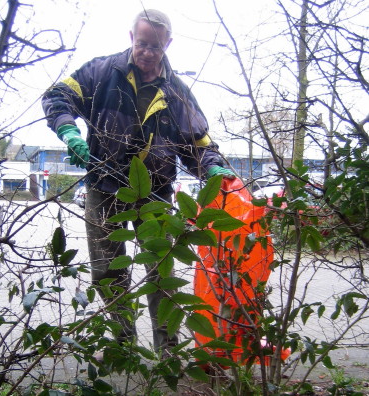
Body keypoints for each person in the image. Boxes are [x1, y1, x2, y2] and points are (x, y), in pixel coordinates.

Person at [42, 9, 235, 356]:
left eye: (156, 47)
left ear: (168, 45)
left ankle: (168, 353)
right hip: (104, 188)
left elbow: (198, 143)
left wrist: (214, 170)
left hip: (156, 194)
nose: (148, 52)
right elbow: (58, 96)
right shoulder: (101, 72)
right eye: (143, 44)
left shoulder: (177, 92)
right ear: (132, 37)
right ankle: (124, 343)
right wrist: (69, 131)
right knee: (107, 271)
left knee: (161, 275)